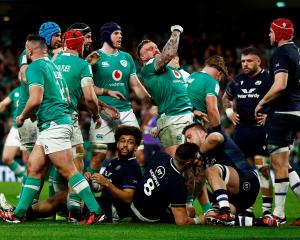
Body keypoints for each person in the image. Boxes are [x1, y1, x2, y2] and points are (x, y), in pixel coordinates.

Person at [0, 35, 101, 224]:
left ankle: (95, 210)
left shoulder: (35, 67)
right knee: (35, 168)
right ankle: (18, 213)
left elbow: (35, 99)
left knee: (69, 170)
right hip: (53, 123)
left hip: (54, 124)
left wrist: (22, 116)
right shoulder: (52, 66)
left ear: (29, 51)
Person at [87, 22, 150, 174]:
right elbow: (85, 87)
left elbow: (135, 86)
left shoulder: (126, 58)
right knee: (98, 157)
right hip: (102, 113)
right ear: (106, 35)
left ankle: (138, 193)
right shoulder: (94, 57)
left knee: (139, 154)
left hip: (126, 112)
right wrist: (87, 65)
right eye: (116, 33)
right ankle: (88, 193)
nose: (120, 36)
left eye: (121, 34)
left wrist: (150, 100)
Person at [254, 18, 300, 226]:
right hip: (294, 110)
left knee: (278, 164)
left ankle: (278, 215)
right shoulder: (296, 51)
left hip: (283, 112)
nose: (269, 35)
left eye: (271, 32)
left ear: (279, 34)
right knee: (285, 164)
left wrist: (261, 103)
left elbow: (280, 85)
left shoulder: (281, 53)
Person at [53, 29, 101, 221]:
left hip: (47, 117)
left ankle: (24, 210)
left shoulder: (53, 62)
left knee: (38, 167)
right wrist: (96, 114)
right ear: (80, 45)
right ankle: (77, 209)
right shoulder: (82, 65)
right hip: (67, 119)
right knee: (76, 163)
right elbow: (89, 97)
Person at [222, 47, 273, 217]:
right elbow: (225, 99)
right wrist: (229, 112)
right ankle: (247, 208)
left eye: (249, 60)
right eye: (243, 61)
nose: (245, 64)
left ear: (258, 61)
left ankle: (267, 211)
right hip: (242, 131)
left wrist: (270, 115)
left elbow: (282, 96)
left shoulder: (269, 78)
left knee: (264, 169)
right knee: (244, 172)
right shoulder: (237, 80)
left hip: (260, 131)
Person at [183, 123, 260, 226]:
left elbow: (215, 138)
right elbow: (201, 184)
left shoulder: (213, 135)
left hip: (247, 179)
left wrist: (199, 154)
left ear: (202, 133)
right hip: (236, 198)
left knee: (211, 170)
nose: (187, 141)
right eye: (186, 140)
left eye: (189, 137)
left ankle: (225, 212)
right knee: (211, 218)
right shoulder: (203, 159)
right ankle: (258, 222)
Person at [136, 25, 194, 158]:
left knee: (194, 162)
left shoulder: (172, 71)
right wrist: (176, 31)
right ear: (143, 57)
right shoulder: (148, 68)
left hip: (188, 117)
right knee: (180, 163)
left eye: (156, 47)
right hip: (173, 120)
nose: (155, 49)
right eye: (150, 49)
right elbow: (168, 53)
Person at [130, 142, 202, 225]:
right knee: (190, 211)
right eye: (196, 157)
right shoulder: (178, 183)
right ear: (188, 162)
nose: (198, 161)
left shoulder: (161, 155)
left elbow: (140, 153)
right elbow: (182, 222)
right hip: (146, 217)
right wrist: (199, 220)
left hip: (133, 205)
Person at [86, 125, 143, 222]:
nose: (125, 145)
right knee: (68, 198)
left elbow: (128, 198)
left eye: (130, 142)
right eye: (122, 141)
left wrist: (107, 184)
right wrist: (90, 180)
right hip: (104, 202)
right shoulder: (114, 162)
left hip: (114, 209)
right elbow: (100, 186)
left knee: (64, 200)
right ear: (117, 144)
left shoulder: (132, 166)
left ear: (135, 147)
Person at [186, 55, 229, 131]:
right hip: (190, 124)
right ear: (219, 74)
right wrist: (218, 131)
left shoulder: (192, 75)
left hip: (174, 118)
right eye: (220, 79)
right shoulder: (212, 82)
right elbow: (212, 109)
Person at [0, 87, 26, 180]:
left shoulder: (34, 88)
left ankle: (27, 190)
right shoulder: (16, 91)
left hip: (29, 128)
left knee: (28, 162)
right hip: (15, 129)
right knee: (6, 158)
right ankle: (24, 180)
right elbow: (3, 103)